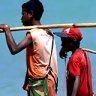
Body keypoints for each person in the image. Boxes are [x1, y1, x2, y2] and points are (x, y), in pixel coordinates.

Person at [0, 0, 58, 96]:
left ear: (30, 14)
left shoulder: (32, 34)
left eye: (23, 14)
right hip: (50, 81)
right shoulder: (48, 33)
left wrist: (7, 29)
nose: (21, 18)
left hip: (39, 83)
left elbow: (14, 50)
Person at [54, 28, 94, 96]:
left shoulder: (74, 59)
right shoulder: (83, 53)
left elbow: (76, 78)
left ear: (73, 42)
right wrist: (64, 49)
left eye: (64, 41)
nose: (61, 44)